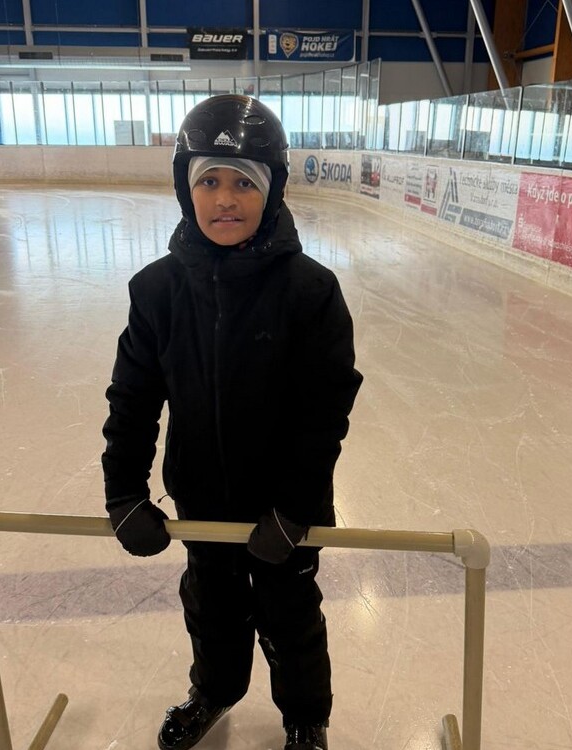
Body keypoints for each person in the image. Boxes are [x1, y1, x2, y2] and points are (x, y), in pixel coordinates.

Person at [101, 94, 363, 750]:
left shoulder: (311, 292)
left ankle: (306, 718)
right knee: (210, 607)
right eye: (209, 181)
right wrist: (124, 493)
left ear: (271, 191)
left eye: (244, 182)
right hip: (203, 500)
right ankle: (213, 692)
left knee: (290, 617)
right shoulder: (156, 291)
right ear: (184, 187)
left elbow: (324, 413)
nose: (225, 199)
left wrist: (295, 508)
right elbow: (133, 398)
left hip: (285, 509)